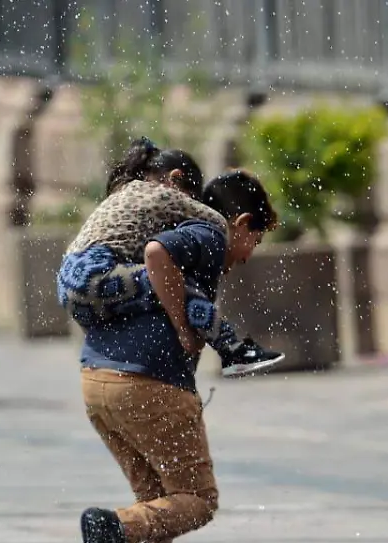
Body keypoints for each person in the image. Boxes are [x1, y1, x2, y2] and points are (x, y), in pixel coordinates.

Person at [75, 170, 278, 543]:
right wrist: (185, 332)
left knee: (157, 502)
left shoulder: (168, 231)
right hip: (150, 383)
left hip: (96, 379)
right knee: (197, 500)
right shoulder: (206, 234)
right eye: (255, 237)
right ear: (242, 222)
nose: (248, 253)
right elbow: (157, 255)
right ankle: (112, 529)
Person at [58, 138, 283, 377]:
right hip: (94, 271)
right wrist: (183, 329)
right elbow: (217, 222)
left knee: (157, 285)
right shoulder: (167, 195)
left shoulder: (128, 191)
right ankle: (231, 347)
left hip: (69, 279)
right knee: (172, 280)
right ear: (175, 179)